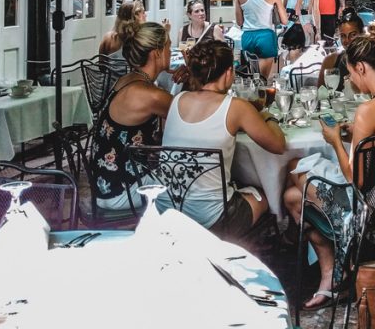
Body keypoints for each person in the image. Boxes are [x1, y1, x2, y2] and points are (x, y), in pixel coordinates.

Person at [283, 35, 375, 311]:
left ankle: (335, 273)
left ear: (361, 68)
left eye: (350, 74)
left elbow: (354, 179)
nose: (351, 81)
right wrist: (354, 133)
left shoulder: (368, 110)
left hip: (371, 212)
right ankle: (333, 275)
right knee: (293, 195)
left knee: (294, 184)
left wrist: (335, 139)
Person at [159, 40, 285, 236]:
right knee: (264, 194)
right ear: (228, 73)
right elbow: (278, 145)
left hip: (168, 209)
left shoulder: (177, 100)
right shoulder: (236, 107)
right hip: (214, 219)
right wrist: (267, 116)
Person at [91, 21, 174, 210]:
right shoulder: (148, 94)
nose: (171, 51)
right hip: (123, 191)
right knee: (193, 185)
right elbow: (191, 117)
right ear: (157, 52)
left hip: (105, 184)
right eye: (169, 46)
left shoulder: (127, 80)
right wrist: (193, 78)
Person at [235, 0, 288, 81]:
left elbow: (239, 22)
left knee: (250, 79)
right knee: (262, 81)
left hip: (247, 37)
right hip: (265, 36)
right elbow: (284, 21)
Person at [321, 10, 365, 91]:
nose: (347, 40)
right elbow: (321, 95)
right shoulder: (330, 61)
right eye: (343, 36)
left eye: (353, 35)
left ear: (362, 34)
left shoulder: (371, 61)